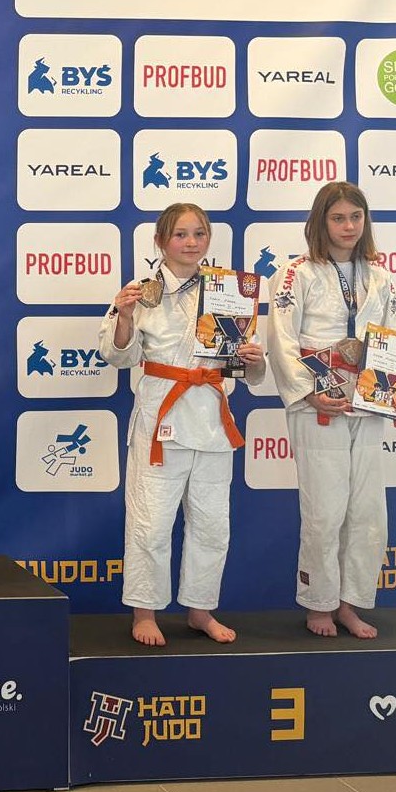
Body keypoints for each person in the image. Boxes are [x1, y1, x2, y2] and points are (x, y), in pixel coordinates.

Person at [100, 203, 265, 646]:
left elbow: (249, 371)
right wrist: (125, 317)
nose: (191, 243)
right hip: (162, 419)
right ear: (160, 241)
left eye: (199, 234)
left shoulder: (230, 293)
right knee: (151, 523)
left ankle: (200, 610)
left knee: (212, 525)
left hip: (212, 419)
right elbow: (118, 356)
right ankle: (144, 612)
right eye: (180, 234)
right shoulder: (141, 293)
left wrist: (254, 359)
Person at [266, 181, 396, 639]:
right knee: (325, 512)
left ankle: (349, 603)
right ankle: (319, 604)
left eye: (356, 217)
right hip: (320, 404)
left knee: (368, 513)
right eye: (338, 218)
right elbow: (281, 340)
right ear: (321, 222)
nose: (349, 226)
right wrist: (307, 392)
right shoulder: (295, 273)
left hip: (369, 402)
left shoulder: (378, 275)